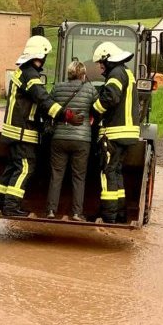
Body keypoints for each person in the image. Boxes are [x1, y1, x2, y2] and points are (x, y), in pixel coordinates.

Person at [0, 36, 84, 217]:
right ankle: (10, 208)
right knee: (25, 167)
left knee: (12, 167)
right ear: (40, 56)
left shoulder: (22, 71)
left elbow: (34, 102)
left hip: (13, 130)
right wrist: (66, 115)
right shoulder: (30, 74)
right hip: (22, 131)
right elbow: (42, 99)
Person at [91, 41, 140, 224]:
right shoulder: (127, 72)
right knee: (117, 172)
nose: (99, 66)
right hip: (127, 133)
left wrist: (94, 109)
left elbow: (110, 97)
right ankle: (120, 212)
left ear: (108, 58)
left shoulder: (116, 74)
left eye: (100, 62)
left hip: (114, 132)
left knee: (108, 172)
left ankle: (108, 215)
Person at [46, 60, 97, 220]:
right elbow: (98, 109)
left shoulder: (57, 88)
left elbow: (49, 108)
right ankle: (76, 213)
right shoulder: (90, 89)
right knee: (79, 177)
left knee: (56, 175)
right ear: (83, 74)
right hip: (82, 140)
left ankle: (51, 211)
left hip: (59, 138)